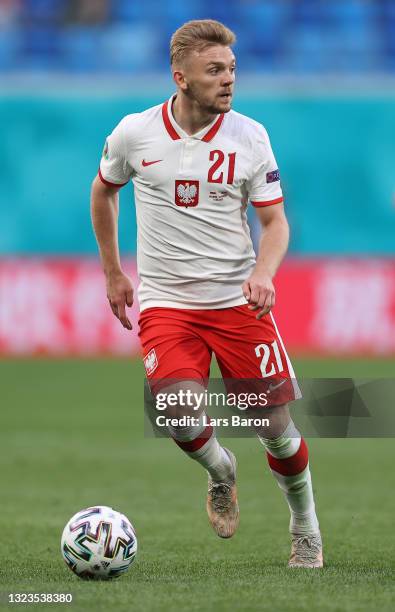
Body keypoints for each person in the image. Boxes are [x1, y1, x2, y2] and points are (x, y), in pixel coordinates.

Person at [91, 19, 323, 568]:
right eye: (214, 70)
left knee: (276, 430)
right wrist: (113, 273)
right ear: (181, 78)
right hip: (169, 303)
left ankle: (305, 525)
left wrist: (264, 274)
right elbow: (104, 192)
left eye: (232, 70)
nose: (228, 80)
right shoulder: (134, 133)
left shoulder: (251, 137)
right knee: (175, 410)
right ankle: (221, 471)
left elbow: (276, 223)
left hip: (238, 304)